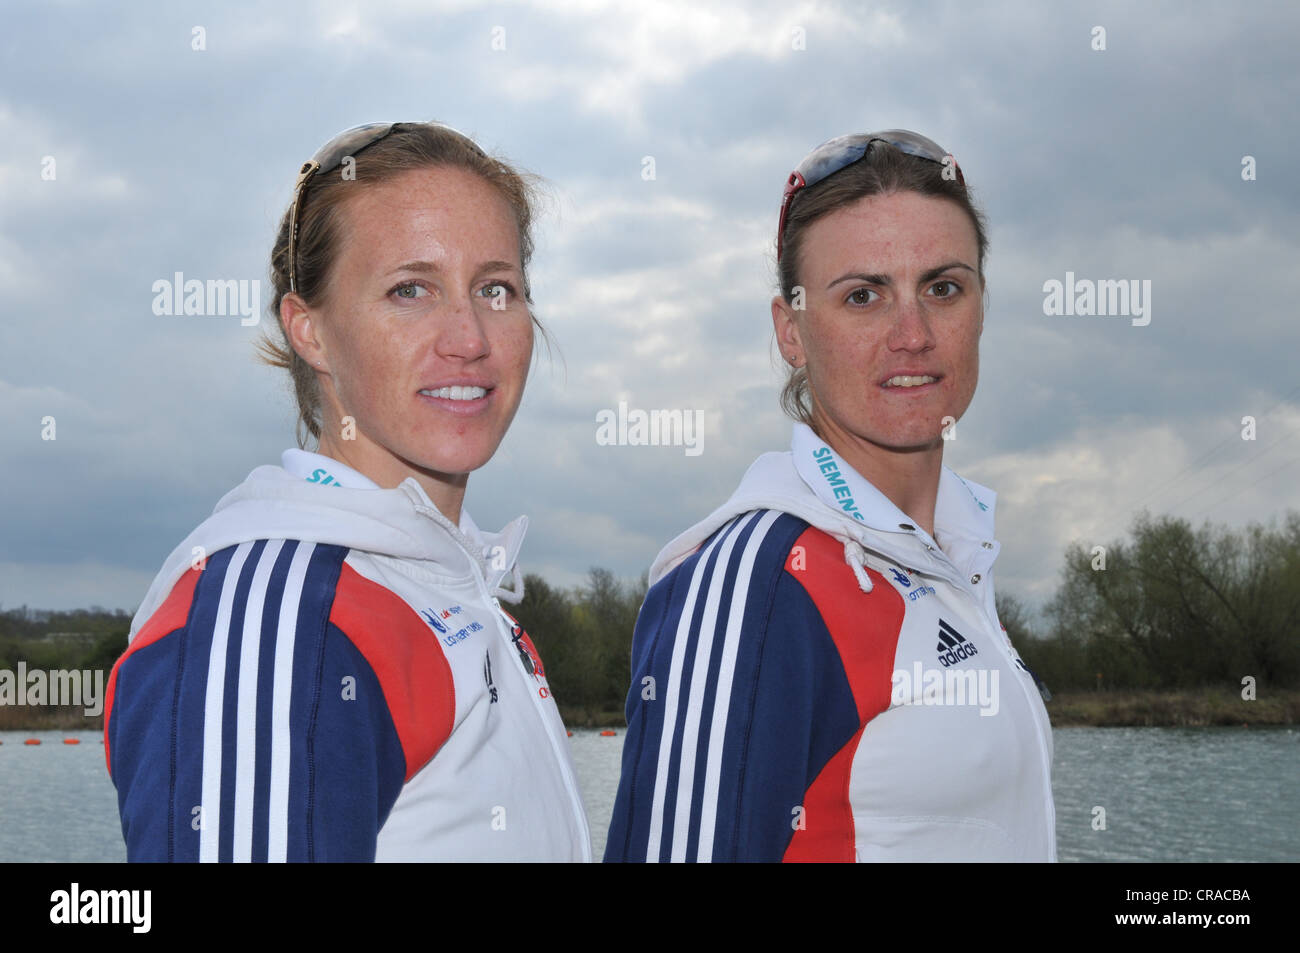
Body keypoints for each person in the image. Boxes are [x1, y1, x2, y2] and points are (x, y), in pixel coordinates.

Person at [105, 122, 591, 862]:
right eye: (409, 289)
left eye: (496, 288)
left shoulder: (460, 593)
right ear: (310, 331)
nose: (469, 336)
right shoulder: (282, 613)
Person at [605, 130, 1055, 862]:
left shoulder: (957, 552)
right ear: (792, 331)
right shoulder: (761, 582)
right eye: (862, 296)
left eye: (943, 287)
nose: (912, 334)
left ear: (980, 306)